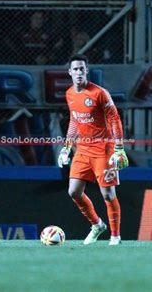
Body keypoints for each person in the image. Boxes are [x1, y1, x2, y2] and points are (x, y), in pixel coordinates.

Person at [57, 54, 128, 245]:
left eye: (82, 69)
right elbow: (74, 120)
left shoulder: (99, 93)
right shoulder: (69, 94)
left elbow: (115, 119)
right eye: (76, 69)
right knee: (73, 192)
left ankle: (115, 236)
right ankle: (97, 225)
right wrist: (66, 147)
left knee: (108, 194)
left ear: (86, 71)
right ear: (70, 72)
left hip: (104, 149)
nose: (79, 72)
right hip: (82, 149)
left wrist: (119, 148)